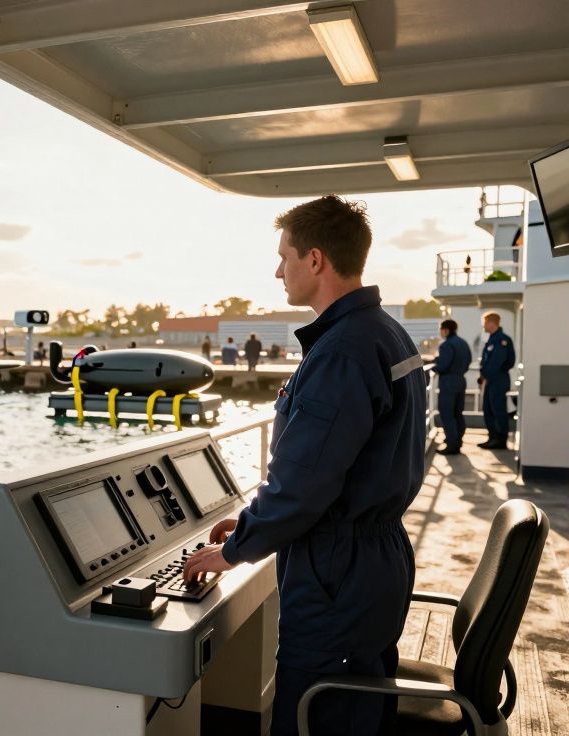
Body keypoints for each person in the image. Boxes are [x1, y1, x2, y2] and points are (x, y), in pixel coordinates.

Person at [183, 195, 425, 736]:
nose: (278, 270)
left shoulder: (341, 352)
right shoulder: (387, 333)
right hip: (376, 558)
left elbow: (302, 486)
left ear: (315, 260)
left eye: (284, 256)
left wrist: (234, 551)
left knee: (315, 714)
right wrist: (249, 524)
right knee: (360, 706)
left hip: (336, 571)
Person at [433, 319, 472, 455]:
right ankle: (458, 440)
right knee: (457, 413)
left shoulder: (446, 345)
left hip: (448, 382)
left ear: (446, 330)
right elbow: (467, 362)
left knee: (447, 413)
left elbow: (443, 366)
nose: (441, 332)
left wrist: (435, 367)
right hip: (460, 380)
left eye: (441, 329)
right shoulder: (463, 343)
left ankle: (452, 444)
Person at [477, 312, 515, 449]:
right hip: (490, 380)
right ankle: (493, 437)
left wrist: (485, 375)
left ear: (492, 323)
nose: (484, 325)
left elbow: (498, 363)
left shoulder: (501, 340)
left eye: (485, 323)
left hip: (498, 380)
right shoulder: (492, 339)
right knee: (488, 409)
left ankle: (500, 439)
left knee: (498, 409)